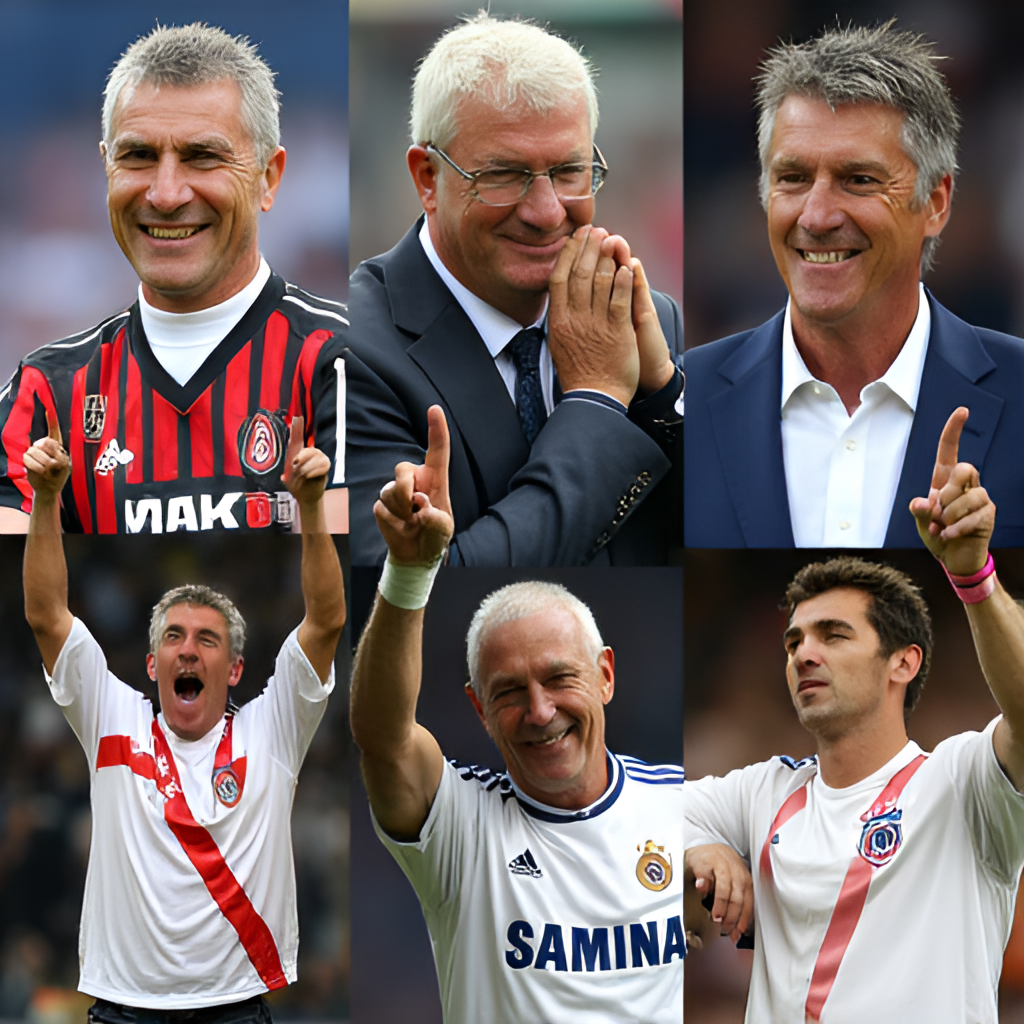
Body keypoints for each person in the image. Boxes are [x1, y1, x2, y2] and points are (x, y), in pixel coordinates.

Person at [684, 408, 1024, 1021]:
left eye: (833, 635)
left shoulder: (960, 782)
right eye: (793, 642)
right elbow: (621, 811)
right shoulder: (760, 795)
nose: (803, 654)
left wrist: (973, 576)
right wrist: (698, 845)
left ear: (903, 662)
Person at [349, 405, 683, 1023]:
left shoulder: (685, 805)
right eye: (508, 692)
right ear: (478, 708)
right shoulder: (461, 825)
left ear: (605, 675)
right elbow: (383, 737)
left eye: (559, 679)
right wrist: (410, 573)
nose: (539, 710)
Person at [21, 409, 346, 1017]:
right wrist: (45, 501)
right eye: (173, 637)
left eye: (207, 640)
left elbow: (326, 621)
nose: (188, 650)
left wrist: (310, 507)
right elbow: (47, 615)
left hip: (235, 1007)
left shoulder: (272, 730)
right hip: (122, 1005)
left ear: (236, 669)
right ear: (152, 663)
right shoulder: (112, 717)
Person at [344, 12, 683, 567]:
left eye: (569, 171)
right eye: (503, 175)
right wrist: (596, 402)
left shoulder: (646, 322)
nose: (547, 212)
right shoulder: (347, 352)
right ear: (428, 177)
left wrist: (664, 393)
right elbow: (415, 593)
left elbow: (722, 540)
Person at [684, 21, 1024, 548]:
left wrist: (978, 579)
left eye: (859, 180)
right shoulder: (682, 399)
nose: (816, 216)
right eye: (793, 178)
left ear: (935, 203)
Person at [0, 23, 348, 535]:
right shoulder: (43, 392)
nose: (165, 194)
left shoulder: (345, 365)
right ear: (106, 169)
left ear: (268, 178)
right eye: (138, 156)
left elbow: (346, 578)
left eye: (202, 158)